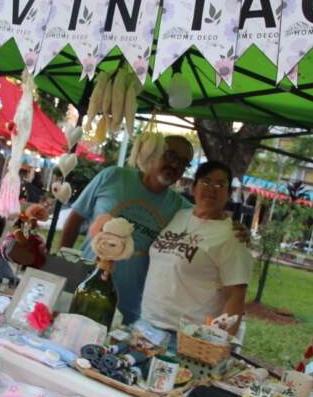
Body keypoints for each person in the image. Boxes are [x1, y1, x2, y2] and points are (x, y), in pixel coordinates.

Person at [60, 135, 248, 324]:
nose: (175, 165)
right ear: (154, 152)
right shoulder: (113, 176)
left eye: (183, 163)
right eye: (171, 156)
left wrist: (234, 227)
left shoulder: (180, 209)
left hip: (128, 307)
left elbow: (208, 215)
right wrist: (64, 265)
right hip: (82, 287)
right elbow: (74, 220)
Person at [141, 161, 252, 338]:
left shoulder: (232, 237)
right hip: (145, 323)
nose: (211, 189)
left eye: (220, 184)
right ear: (193, 187)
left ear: (229, 193)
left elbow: (235, 297)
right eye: (205, 182)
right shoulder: (179, 214)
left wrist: (218, 344)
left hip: (185, 337)